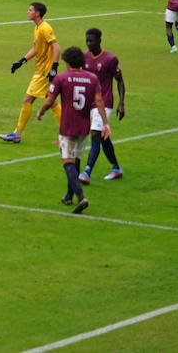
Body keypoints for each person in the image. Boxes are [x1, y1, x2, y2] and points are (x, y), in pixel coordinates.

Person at [36, 46, 109, 215]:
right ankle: (68, 196)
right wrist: (106, 123)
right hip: (84, 127)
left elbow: (49, 100)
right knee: (76, 161)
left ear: (68, 62)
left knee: (67, 162)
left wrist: (40, 112)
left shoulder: (62, 78)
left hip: (68, 126)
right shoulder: (92, 78)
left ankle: (81, 197)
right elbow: (99, 101)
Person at [0, 1, 61, 143]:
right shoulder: (37, 28)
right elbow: (36, 48)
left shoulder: (45, 28)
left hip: (44, 73)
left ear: (37, 13)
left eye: (30, 10)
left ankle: (17, 134)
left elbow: (56, 47)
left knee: (28, 99)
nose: (27, 12)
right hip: (41, 70)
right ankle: (66, 133)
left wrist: (54, 68)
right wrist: (21, 61)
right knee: (52, 101)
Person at [81, 28, 126, 183]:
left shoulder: (110, 59)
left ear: (99, 40)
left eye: (91, 40)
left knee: (95, 134)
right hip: (89, 103)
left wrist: (121, 103)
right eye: (87, 40)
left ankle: (86, 172)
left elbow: (119, 80)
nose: (88, 44)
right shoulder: (84, 58)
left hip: (105, 102)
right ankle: (116, 168)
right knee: (103, 138)